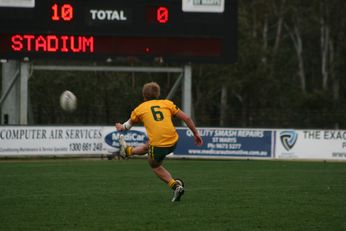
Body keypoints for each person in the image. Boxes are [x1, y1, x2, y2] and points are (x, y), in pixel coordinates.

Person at [115, 82, 203, 202]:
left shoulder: (140, 109)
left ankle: (175, 186)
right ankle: (127, 151)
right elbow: (186, 118)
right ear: (158, 94)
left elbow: (126, 126)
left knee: (155, 165)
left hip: (158, 145)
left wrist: (120, 126)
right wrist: (196, 134)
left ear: (143, 96)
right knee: (148, 145)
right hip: (173, 141)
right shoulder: (167, 103)